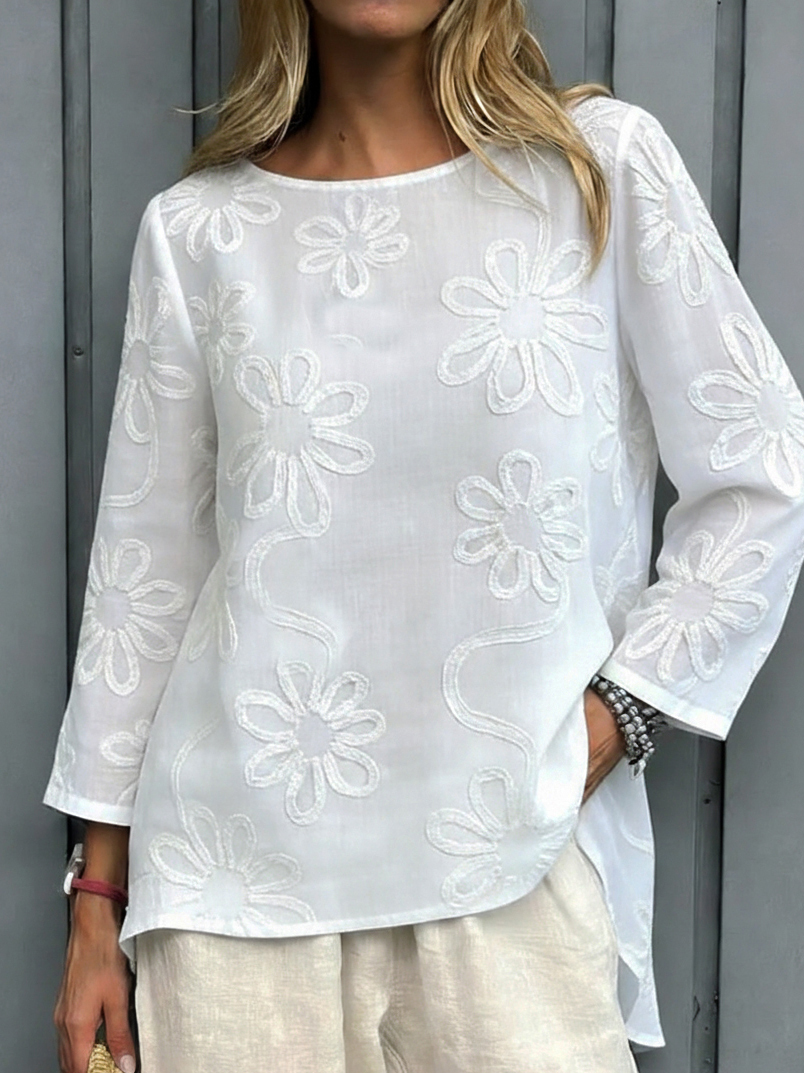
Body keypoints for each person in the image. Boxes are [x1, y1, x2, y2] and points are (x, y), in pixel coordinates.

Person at [44, 0, 804, 1070]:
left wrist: (617, 715)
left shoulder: (596, 171)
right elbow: (145, 579)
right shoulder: (201, 232)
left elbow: (763, 472)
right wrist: (97, 899)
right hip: (232, 896)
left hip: (511, 872)